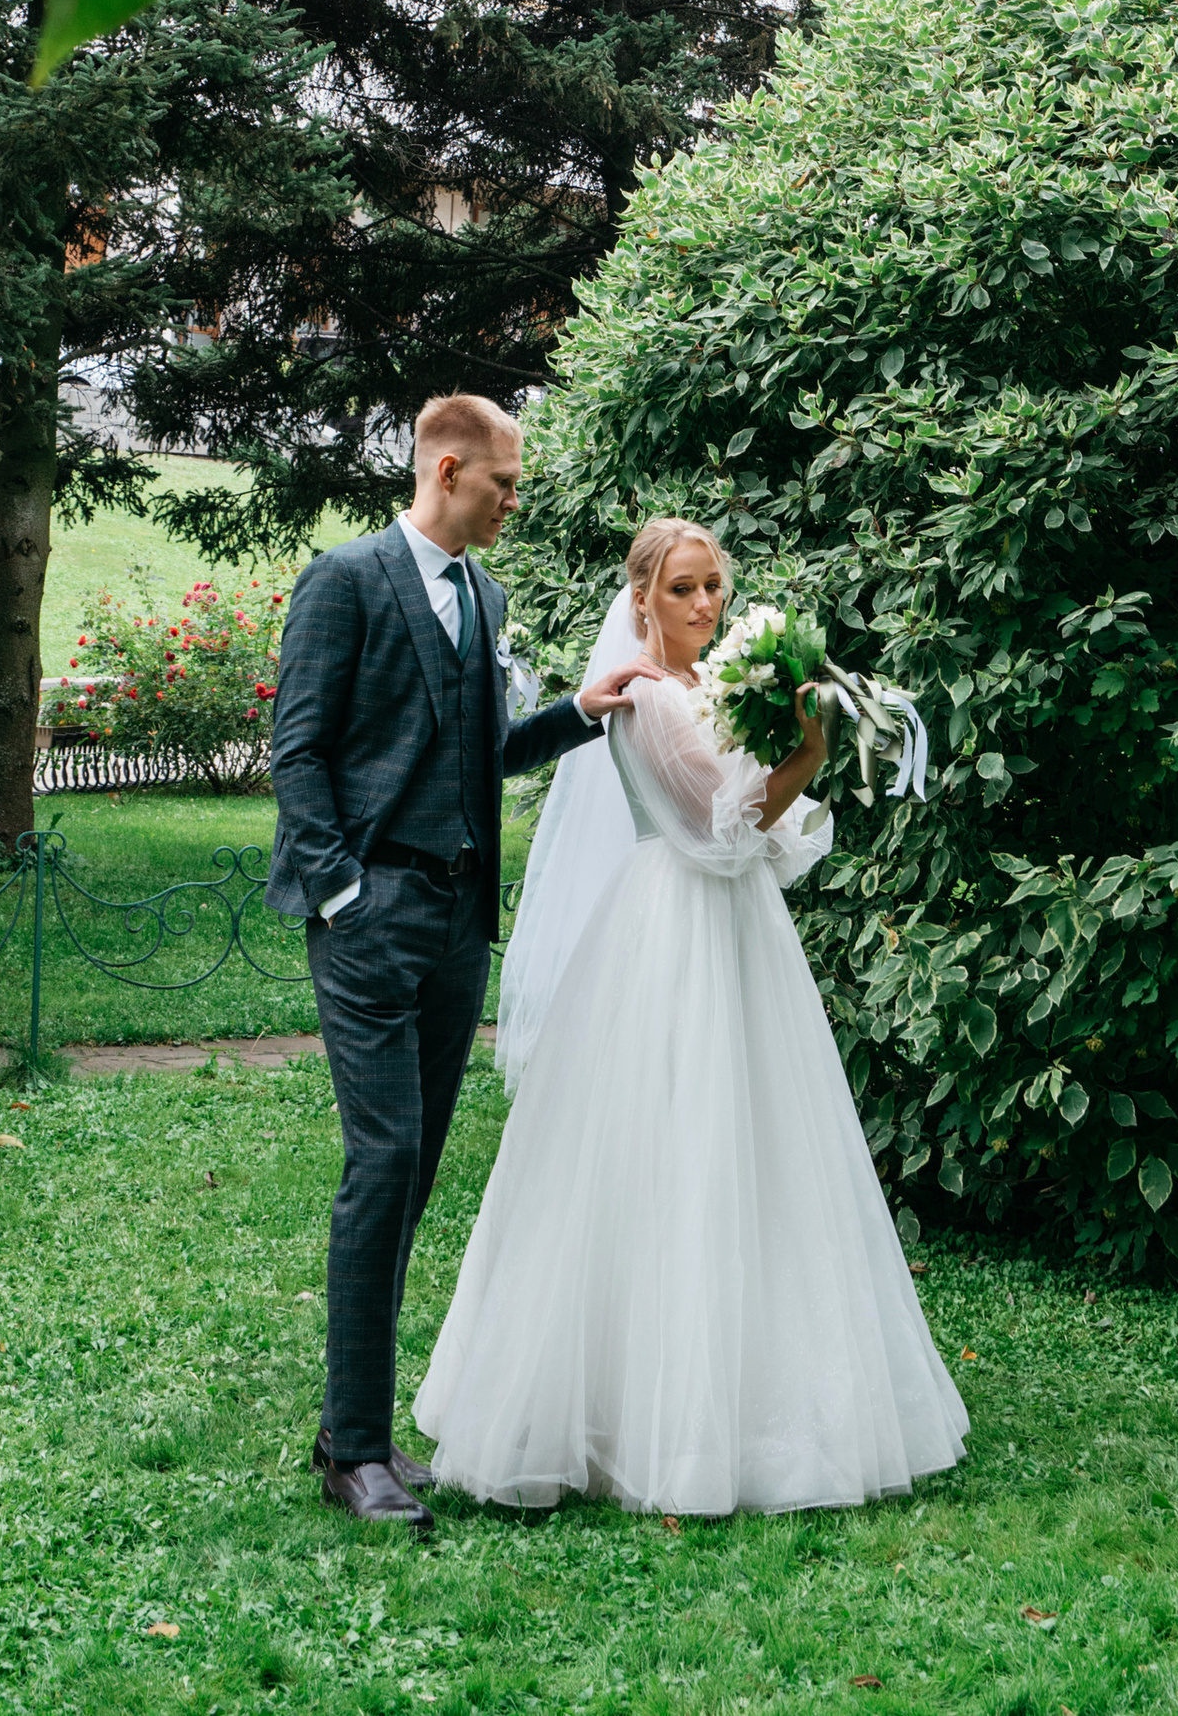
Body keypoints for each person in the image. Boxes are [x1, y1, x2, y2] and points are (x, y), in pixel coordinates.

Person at [411, 517, 969, 1518]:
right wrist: (807, 747)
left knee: (755, 1146)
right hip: (676, 928)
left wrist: (787, 751)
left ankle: (761, 1385)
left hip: (733, 926)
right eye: (681, 589)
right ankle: (647, 1412)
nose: (703, 605)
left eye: (713, 586)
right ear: (640, 600)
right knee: (675, 1149)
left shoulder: (707, 689)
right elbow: (727, 823)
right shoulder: (655, 701)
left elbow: (762, 838)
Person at [266, 391, 661, 1533]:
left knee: (417, 1171)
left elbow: (484, 746)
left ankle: (359, 1432)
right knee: (383, 1164)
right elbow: (296, 750)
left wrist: (582, 712)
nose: (511, 503)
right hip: (369, 917)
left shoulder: (481, 595)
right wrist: (342, 889)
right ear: (447, 469)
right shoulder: (345, 580)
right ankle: (351, 1451)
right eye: (502, 484)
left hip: (455, 927)